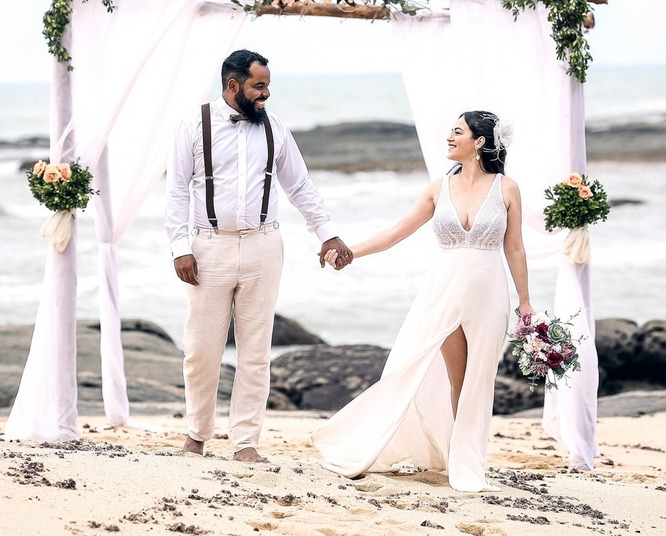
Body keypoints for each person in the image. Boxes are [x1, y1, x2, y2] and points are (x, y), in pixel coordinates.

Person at [310, 110, 535, 492]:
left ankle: (467, 461)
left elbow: (514, 248)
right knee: (445, 376)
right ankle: (450, 455)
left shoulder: (507, 188)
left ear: (479, 142)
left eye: (458, 131)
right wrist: (350, 252)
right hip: (443, 290)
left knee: (478, 381)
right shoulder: (438, 188)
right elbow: (396, 232)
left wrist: (525, 303)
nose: (449, 137)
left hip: (489, 294)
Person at [165, 49, 352, 463]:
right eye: (259, 86)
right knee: (200, 350)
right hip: (208, 247)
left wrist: (327, 234)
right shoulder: (193, 125)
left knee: (255, 352)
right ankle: (197, 433)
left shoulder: (276, 128)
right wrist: (180, 248)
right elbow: (177, 189)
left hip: (264, 246)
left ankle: (245, 442)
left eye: (267, 85)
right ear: (234, 85)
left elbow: (299, 186)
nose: (266, 93)